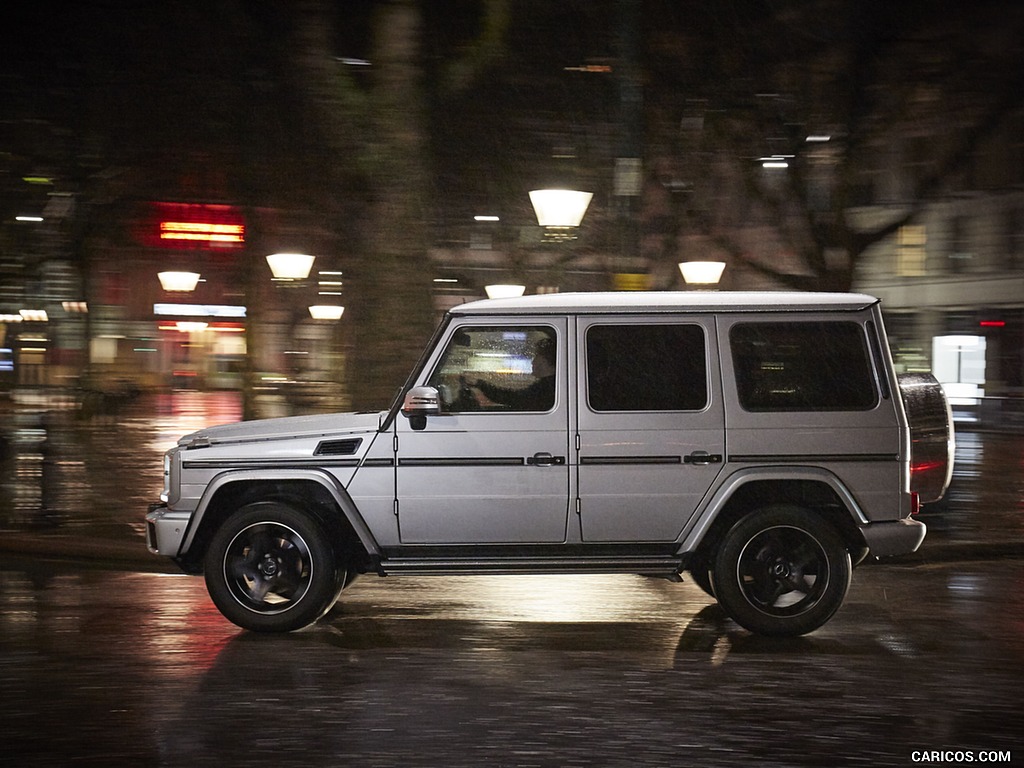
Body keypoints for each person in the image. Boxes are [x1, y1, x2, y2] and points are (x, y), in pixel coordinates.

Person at [470, 336, 556, 411]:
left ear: (544, 361)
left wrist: (480, 384)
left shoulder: (545, 389)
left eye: (536, 357)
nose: (532, 362)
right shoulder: (551, 385)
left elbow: (512, 398)